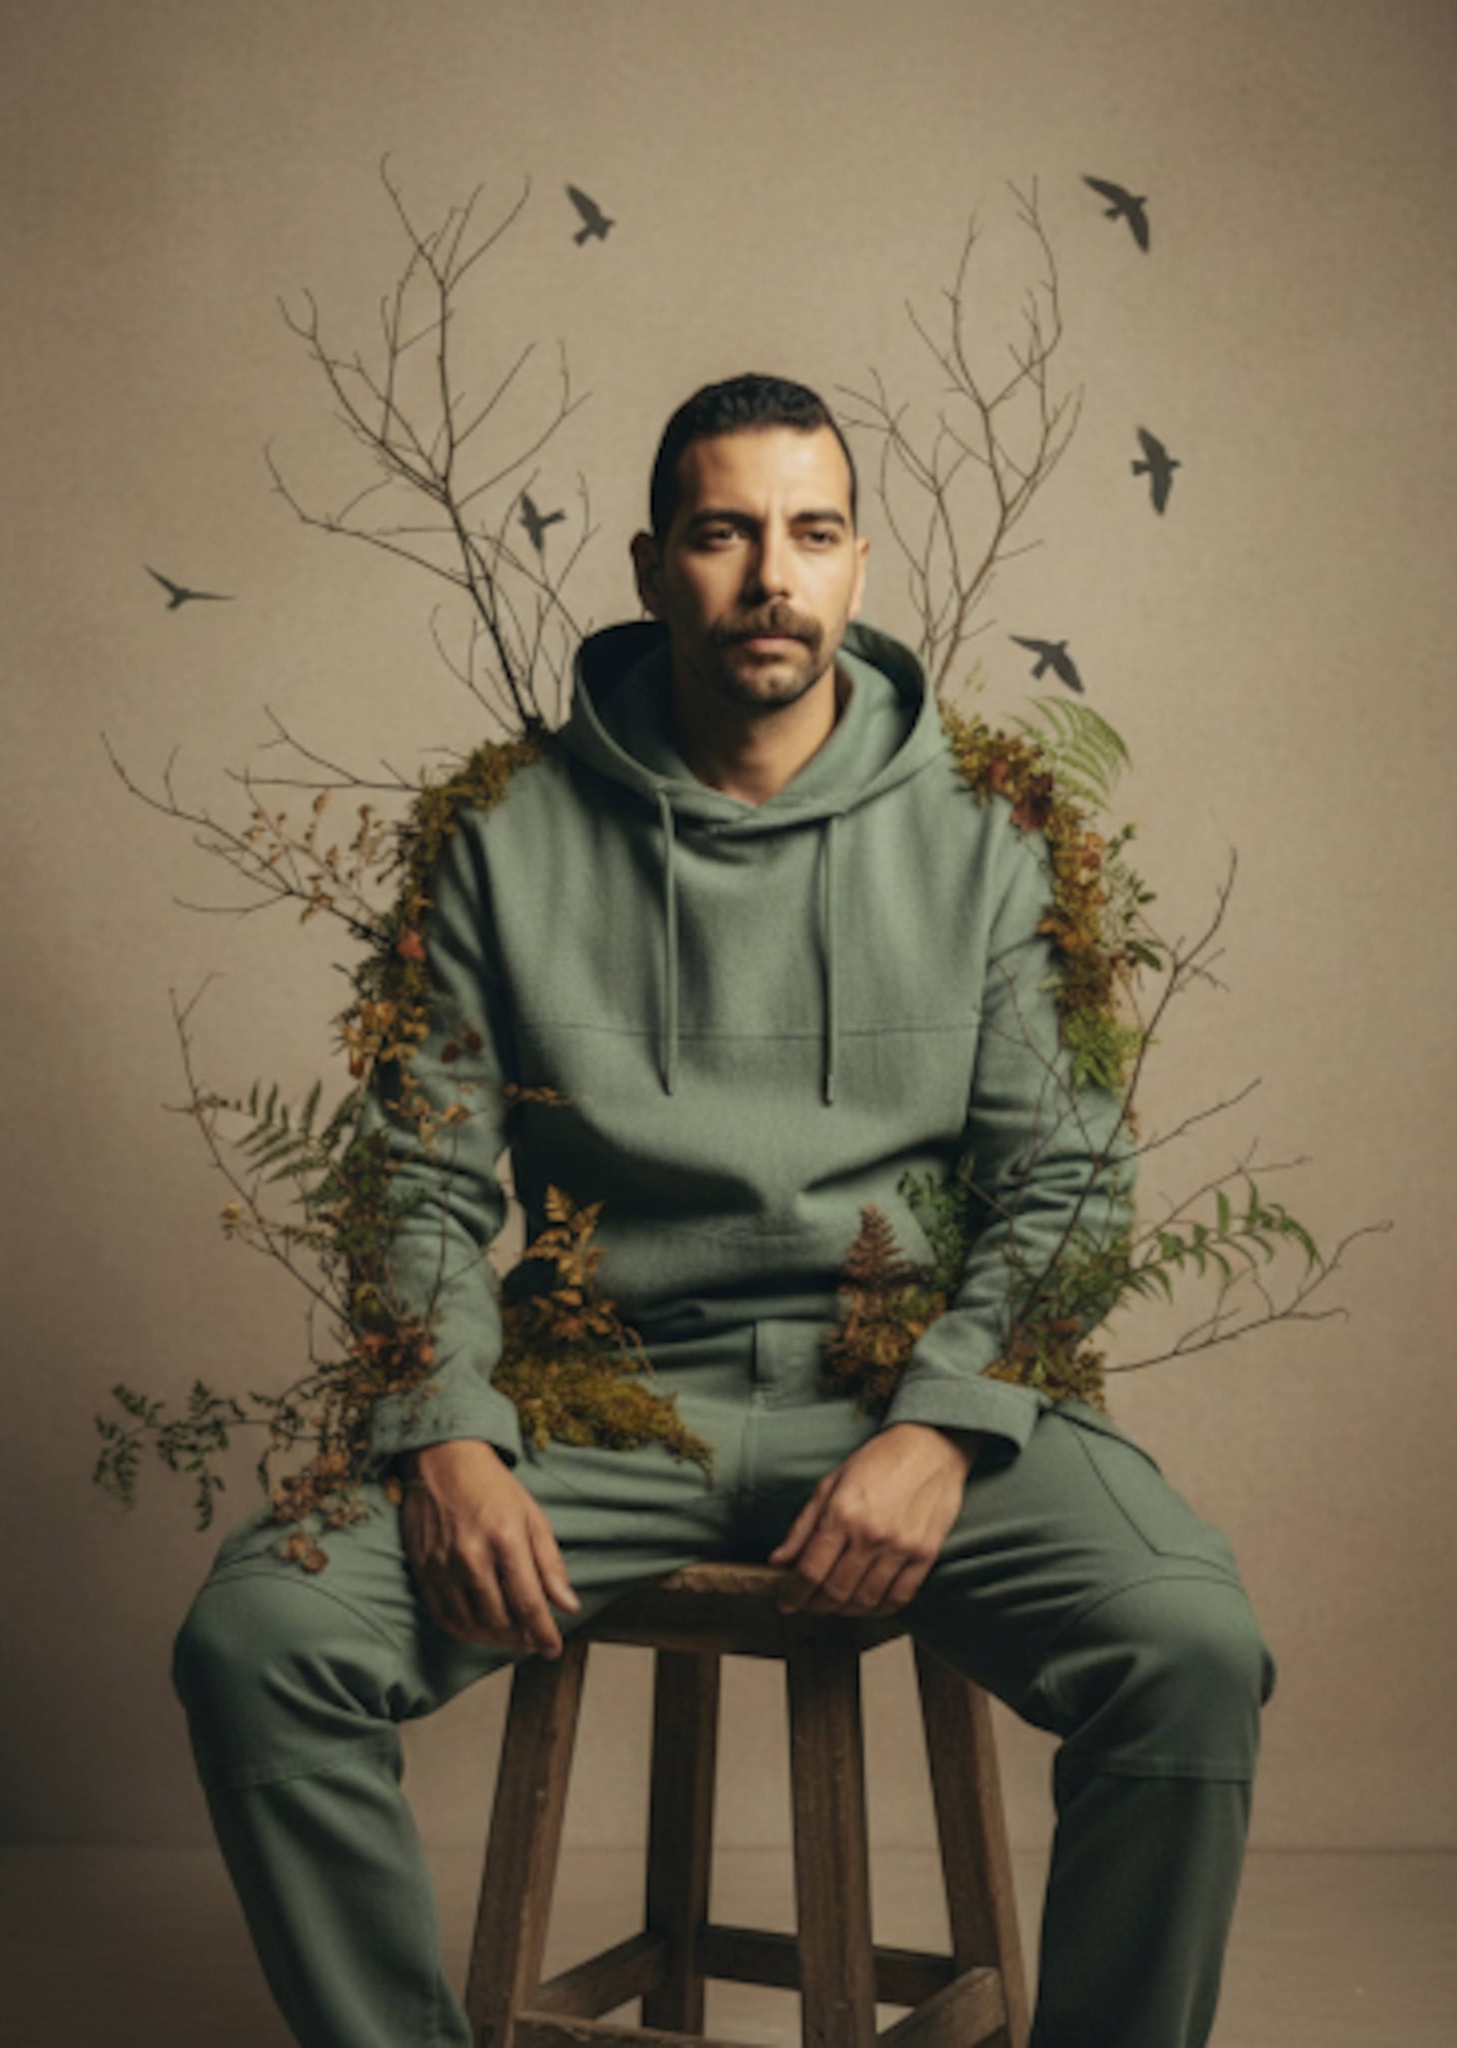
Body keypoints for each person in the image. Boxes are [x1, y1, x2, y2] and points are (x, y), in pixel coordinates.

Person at [173, 373, 1276, 2048]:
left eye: (812, 533)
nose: (772, 574)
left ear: (855, 564)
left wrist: (948, 1424)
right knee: (261, 1640)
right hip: (597, 1399)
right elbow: (413, 1171)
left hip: (902, 1387)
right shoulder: (506, 836)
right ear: (648, 567)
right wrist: (447, 1433)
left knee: (1189, 1645)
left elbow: (1068, 1176)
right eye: (725, 533)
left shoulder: (994, 830)